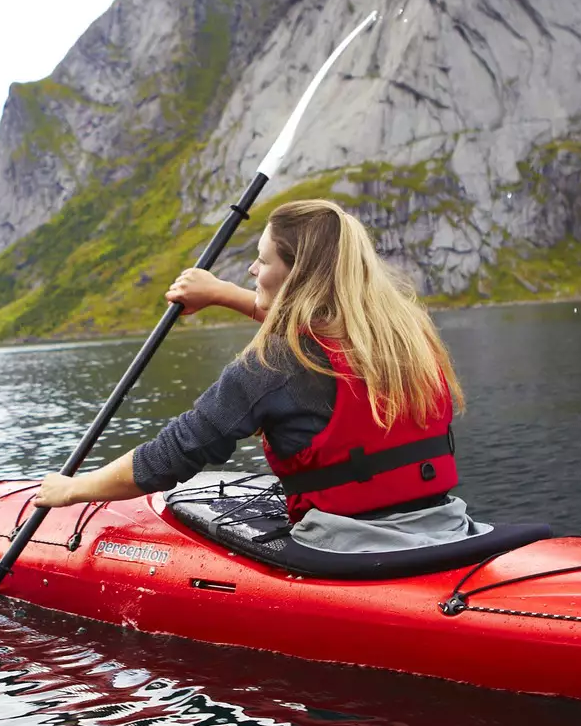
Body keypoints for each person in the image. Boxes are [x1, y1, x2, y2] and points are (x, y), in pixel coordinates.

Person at [34, 199, 473, 552]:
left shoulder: (272, 365)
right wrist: (221, 294)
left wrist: (74, 490)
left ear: (296, 273)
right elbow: (314, 326)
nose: (251, 270)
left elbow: (169, 457)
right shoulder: (407, 334)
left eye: (261, 261)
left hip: (346, 545)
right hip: (446, 522)